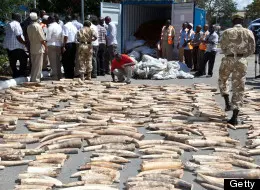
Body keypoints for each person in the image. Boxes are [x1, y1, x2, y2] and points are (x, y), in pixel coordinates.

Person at [218, 14, 255, 125]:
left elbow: (222, 47)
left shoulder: (227, 32)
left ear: (233, 21)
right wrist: (242, 56)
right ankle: (234, 117)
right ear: (242, 21)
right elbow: (252, 48)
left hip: (228, 59)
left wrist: (230, 54)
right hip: (241, 60)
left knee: (222, 79)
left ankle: (226, 101)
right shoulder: (248, 32)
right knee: (239, 87)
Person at [3, 13, 27, 78]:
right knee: (23, 59)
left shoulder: (8, 24)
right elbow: (18, 36)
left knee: (12, 61)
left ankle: (15, 73)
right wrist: (24, 42)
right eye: (19, 17)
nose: (20, 19)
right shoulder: (16, 24)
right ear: (17, 18)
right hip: (16, 46)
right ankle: (21, 73)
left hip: (8, 45)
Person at [27, 12, 47, 82]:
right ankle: (36, 79)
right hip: (38, 47)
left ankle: (33, 78)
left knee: (33, 64)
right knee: (38, 65)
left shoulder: (29, 26)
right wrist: (46, 46)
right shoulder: (38, 26)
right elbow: (42, 39)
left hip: (32, 47)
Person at [46, 16, 63, 80]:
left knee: (53, 61)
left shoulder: (50, 27)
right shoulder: (59, 26)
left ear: (50, 20)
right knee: (58, 61)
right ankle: (59, 75)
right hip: (58, 45)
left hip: (51, 45)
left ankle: (55, 76)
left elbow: (48, 38)